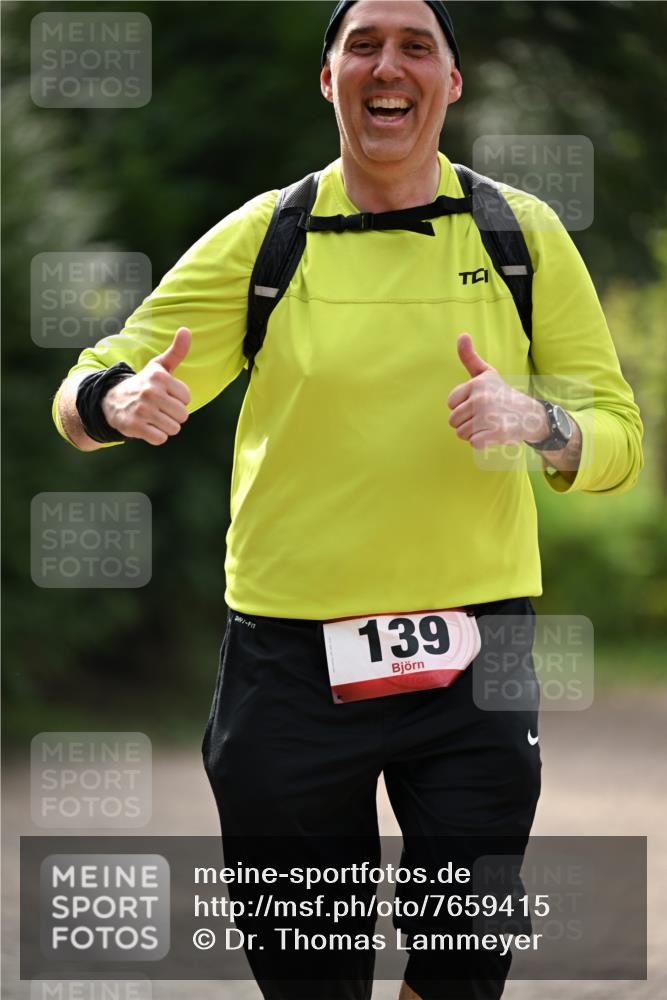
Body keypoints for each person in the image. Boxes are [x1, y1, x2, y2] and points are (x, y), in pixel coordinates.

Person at [52, 2, 643, 998]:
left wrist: (539, 423)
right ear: (328, 79)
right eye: (362, 44)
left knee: (462, 966)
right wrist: (121, 397)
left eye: (416, 45)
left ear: (450, 84)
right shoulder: (267, 237)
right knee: (310, 974)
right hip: (286, 662)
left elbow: (620, 437)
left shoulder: (520, 235)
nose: (388, 64)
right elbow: (84, 390)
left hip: (474, 651)